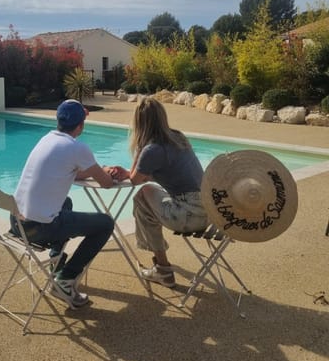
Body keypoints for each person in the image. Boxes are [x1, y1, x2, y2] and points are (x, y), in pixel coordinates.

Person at [11, 99, 116, 308]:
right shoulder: (77, 147)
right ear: (81, 125)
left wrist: (94, 170)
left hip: (17, 224)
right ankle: (65, 280)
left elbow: (71, 172)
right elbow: (106, 184)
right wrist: (105, 172)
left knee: (65, 202)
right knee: (105, 223)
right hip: (40, 228)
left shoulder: (46, 139)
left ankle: (56, 261)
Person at [111, 96, 207, 288]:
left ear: (139, 123)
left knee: (142, 197)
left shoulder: (151, 149)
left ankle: (163, 269)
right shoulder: (177, 137)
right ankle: (161, 265)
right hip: (210, 211)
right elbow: (158, 173)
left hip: (189, 216)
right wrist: (136, 172)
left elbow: (135, 180)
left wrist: (139, 147)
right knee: (149, 193)